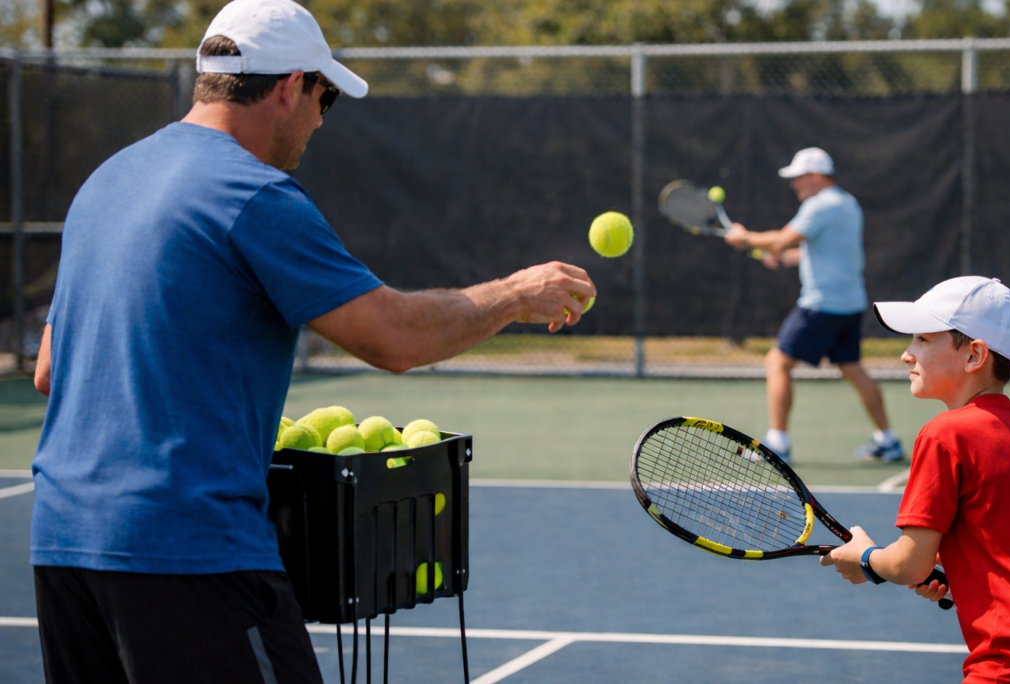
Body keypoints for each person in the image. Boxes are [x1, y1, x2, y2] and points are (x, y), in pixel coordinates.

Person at [29, 1, 594, 682]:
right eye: (326, 96)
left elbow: (51, 370)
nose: (322, 118)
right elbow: (393, 338)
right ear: (290, 85)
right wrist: (513, 295)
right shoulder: (254, 195)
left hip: (63, 546)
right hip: (191, 552)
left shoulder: (106, 182)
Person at [820, 276, 1010, 683]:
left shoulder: (944, 435)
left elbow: (908, 565)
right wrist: (957, 564)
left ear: (974, 356)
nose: (906, 355)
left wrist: (864, 558)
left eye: (923, 340)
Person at [723, 147, 901, 463]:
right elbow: (826, 251)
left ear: (817, 176)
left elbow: (780, 239)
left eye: (799, 178)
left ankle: (777, 443)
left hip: (822, 305)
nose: (795, 185)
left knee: (777, 363)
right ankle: (888, 440)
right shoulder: (848, 204)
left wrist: (745, 237)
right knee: (854, 369)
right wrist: (786, 259)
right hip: (850, 303)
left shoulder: (821, 205)